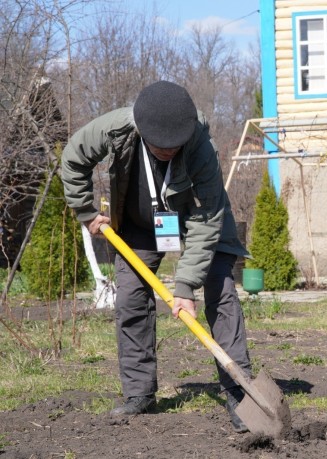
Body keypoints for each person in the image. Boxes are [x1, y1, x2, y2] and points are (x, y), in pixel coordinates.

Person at [61, 81, 252, 433]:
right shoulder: (117, 128)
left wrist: (185, 286)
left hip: (200, 217)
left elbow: (206, 218)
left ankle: (241, 394)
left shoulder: (200, 146)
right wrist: (86, 212)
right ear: (141, 129)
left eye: (174, 144)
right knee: (131, 300)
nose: (167, 150)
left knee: (222, 291)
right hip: (140, 222)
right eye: (159, 144)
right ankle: (140, 395)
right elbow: (73, 158)